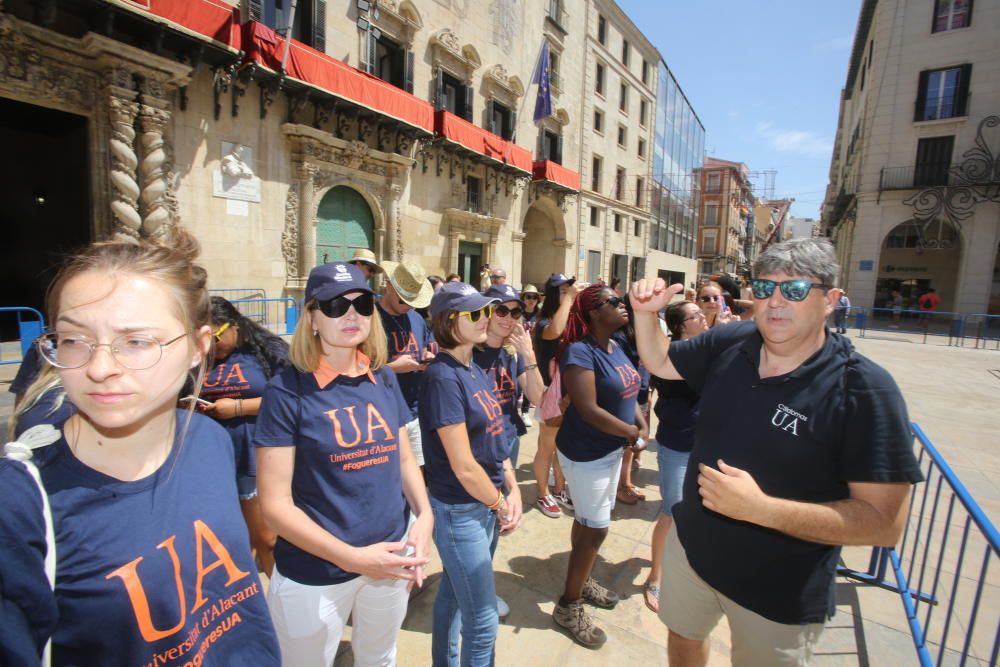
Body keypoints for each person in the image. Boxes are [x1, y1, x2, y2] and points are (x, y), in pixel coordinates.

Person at [630, 238, 923, 667]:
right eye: (765, 289)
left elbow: (883, 524)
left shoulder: (864, 390)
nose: (776, 303)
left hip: (780, 589)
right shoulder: (734, 340)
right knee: (685, 637)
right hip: (693, 551)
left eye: (797, 290)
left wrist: (761, 509)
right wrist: (644, 314)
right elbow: (660, 361)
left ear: (831, 301)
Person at [0, 231, 280, 665]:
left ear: (198, 347)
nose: (99, 368)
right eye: (75, 340)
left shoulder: (207, 441)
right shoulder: (17, 506)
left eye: (137, 341)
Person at [254, 261, 432, 665]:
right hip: (316, 573)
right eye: (335, 305)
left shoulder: (383, 378)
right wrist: (352, 559)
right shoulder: (287, 391)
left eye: (362, 303)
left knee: (380, 657)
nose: (351, 314)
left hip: (390, 555)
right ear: (312, 317)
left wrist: (424, 517)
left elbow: (403, 457)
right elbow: (275, 506)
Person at [419, 282, 521, 666]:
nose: (487, 319)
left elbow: (495, 438)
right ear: (448, 322)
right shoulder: (443, 376)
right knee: (482, 620)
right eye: (475, 314)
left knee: (454, 594)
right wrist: (498, 503)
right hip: (462, 510)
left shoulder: (472, 367)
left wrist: (512, 488)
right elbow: (463, 465)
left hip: (486, 505)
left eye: (486, 312)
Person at [552, 284, 647, 648]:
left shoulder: (618, 345)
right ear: (593, 312)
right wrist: (630, 434)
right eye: (614, 302)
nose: (622, 306)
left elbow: (630, 389)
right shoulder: (579, 352)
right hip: (587, 452)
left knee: (588, 521)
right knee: (597, 530)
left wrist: (641, 423)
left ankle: (582, 577)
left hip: (611, 450)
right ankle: (568, 605)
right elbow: (589, 410)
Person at [200, 296, 290, 576]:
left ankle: (278, 607)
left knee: (267, 539)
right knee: (234, 543)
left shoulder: (265, 353)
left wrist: (237, 407)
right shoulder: (200, 359)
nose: (210, 346)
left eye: (214, 337)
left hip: (255, 459)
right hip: (214, 461)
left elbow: (290, 400)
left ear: (232, 326)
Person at [475, 283, 545, 619]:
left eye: (515, 311)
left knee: (496, 522)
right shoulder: (467, 353)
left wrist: (529, 356)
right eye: (500, 309)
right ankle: (473, 599)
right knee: (477, 525)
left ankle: (480, 588)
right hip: (477, 451)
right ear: (485, 312)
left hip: (508, 444)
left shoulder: (511, 354)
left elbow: (538, 398)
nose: (508, 317)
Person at [642, 301, 708, 614]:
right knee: (671, 512)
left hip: (705, 446)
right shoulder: (676, 356)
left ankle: (684, 566)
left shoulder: (707, 348)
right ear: (682, 326)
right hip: (678, 447)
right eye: (696, 315)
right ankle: (656, 576)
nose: (704, 316)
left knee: (695, 512)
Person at [377, 260, 436, 468]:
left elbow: (427, 343)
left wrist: (428, 354)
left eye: (413, 301)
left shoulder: (416, 319)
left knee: (417, 475)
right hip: (382, 417)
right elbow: (352, 369)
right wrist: (392, 368)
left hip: (414, 412)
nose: (409, 306)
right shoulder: (369, 319)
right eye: (404, 301)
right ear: (389, 287)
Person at [532, 273, 579, 518]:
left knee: (562, 447)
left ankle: (559, 488)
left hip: (570, 393)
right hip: (551, 393)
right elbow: (555, 330)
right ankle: (542, 493)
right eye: (562, 290)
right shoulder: (543, 324)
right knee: (546, 448)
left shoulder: (572, 318)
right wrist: (569, 299)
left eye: (569, 289)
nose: (569, 293)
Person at [613, 294, 650, 506]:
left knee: (630, 446)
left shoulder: (641, 329)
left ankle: (625, 482)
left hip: (640, 394)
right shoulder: (621, 335)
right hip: (628, 398)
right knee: (626, 445)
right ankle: (622, 485)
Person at [519, 283, 542, 427]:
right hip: (517, 352)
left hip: (533, 353)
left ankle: (525, 412)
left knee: (529, 381)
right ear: (523, 298)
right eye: (528, 296)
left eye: (534, 297)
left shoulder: (540, 315)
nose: (531, 300)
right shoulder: (518, 313)